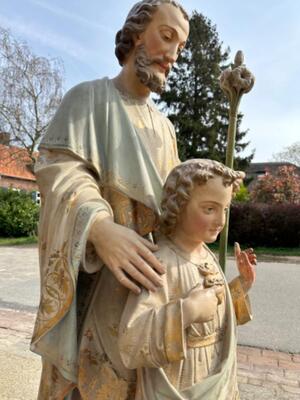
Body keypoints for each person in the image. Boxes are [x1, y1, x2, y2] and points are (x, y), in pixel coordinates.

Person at [31, 1, 190, 399]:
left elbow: (174, 210)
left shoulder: (165, 130)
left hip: (147, 295)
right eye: (166, 36)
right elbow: (60, 173)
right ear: (136, 34)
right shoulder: (87, 100)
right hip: (94, 283)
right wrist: (100, 229)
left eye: (180, 47)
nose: (172, 54)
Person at [118, 159, 256, 399]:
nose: (221, 221)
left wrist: (240, 286)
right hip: (180, 377)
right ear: (179, 205)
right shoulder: (161, 262)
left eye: (224, 209)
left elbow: (218, 314)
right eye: (209, 209)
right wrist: (188, 310)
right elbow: (133, 340)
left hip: (216, 369)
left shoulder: (207, 255)